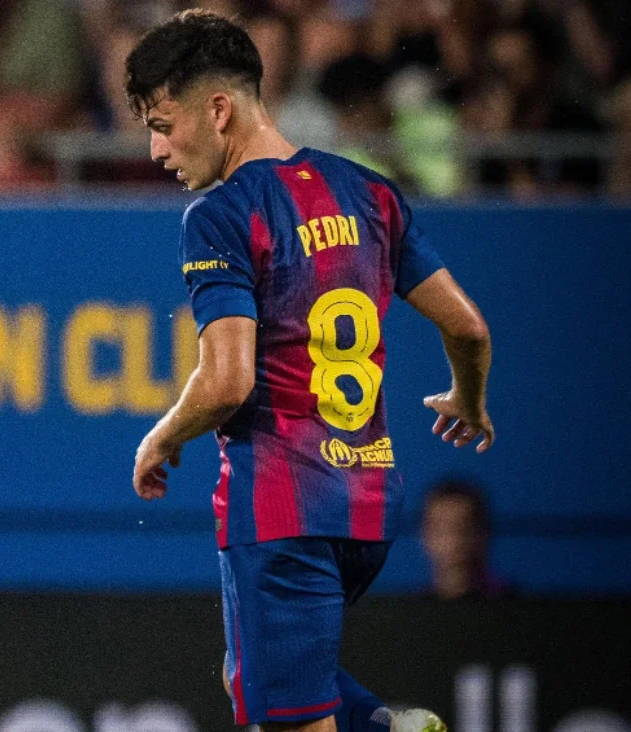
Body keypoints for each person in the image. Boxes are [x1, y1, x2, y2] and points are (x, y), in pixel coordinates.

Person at [124, 10, 494, 732]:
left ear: (219, 110)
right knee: (251, 672)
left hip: (281, 508)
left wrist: (161, 436)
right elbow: (467, 328)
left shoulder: (221, 215)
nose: (156, 148)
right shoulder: (370, 192)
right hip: (368, 503)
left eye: (164, 125)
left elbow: (227, 382)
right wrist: (468, 398)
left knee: (288, 713)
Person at [421, 478, 513, 601]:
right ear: (425, 535)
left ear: (484, 533)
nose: (454, 540)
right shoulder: (411, 610)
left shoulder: (519, 608)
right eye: (442, 528)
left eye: (464, 529)